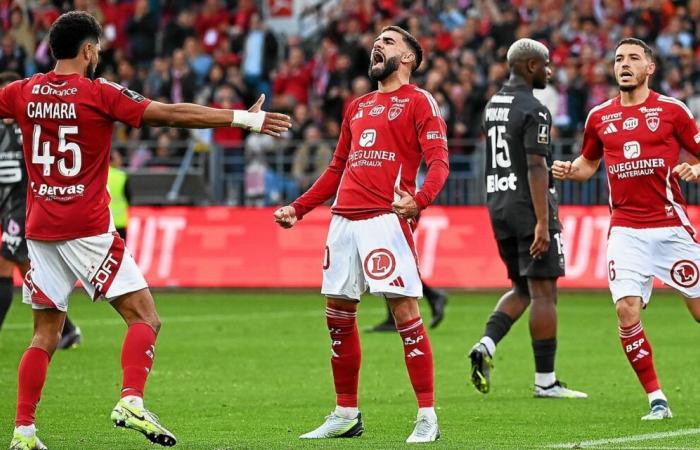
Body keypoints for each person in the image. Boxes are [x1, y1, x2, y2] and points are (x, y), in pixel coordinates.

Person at [3, 12, 290, 450]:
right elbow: (171, 113)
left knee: (44, 334)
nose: (97, 53)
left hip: (40, 229)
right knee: (145, 316)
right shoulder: (99, 93)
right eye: (96, 47)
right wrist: (240, 119)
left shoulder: (22, 92)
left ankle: (23, 432)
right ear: (88, 50)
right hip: (86, 227)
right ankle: (131, 400)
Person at [274, 25, 449, 443]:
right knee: (337, 320)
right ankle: (345, 413)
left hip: (385, 221)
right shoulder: (357, 106)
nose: (377, 46)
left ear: (407, 58)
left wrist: (420, 200)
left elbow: (439, 160)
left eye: (388, 43)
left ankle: (427, 416)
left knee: (405, 315)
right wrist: (298, 208)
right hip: (343, 221)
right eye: (376, 42)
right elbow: (337, 168)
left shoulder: (418, 100)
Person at [553, 37, 700, 420]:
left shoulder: (672, 111)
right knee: (626, 310)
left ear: (650, 68)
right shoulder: (599, 116)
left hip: (671, 228)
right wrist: (572, 171)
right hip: (626, 231)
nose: (624, 63)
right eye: (619, 58)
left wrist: (695, 169)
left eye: (634, 58)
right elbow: (588, 165)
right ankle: (657, 399)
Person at [468, 39, 587, 399]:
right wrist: (541, 222)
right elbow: (536, 166)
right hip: (528, 206)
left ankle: (487, 344)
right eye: (547, 64)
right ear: (531, 65)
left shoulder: (495, 105)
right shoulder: (534, 109)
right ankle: (545, 382)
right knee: (544, 292)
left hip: (498, 205)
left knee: (522, 288)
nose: (551, 71)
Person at [0, 71, 82, 350]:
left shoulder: (30, 128)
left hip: (25, 208)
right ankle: (68, 330)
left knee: (4, 264)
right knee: (26, 269)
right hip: (6, 206)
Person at [108, 150, 130, 240]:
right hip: (120, 220)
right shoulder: (122, 176)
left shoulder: (101, 174)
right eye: (118, 158)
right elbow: (129, 197)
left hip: (105, 221)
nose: (120, 160)